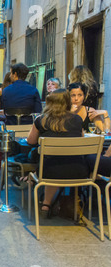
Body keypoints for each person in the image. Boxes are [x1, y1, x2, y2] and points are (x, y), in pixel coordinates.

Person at [27, 89, 87, 218]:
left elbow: (30, 141)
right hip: (78, 171)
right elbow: (81, 141)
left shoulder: (41, 120)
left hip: (48, 172)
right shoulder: (77, 119)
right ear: (67, 102)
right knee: (63, 161)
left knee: (49, 160)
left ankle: (45, 204)